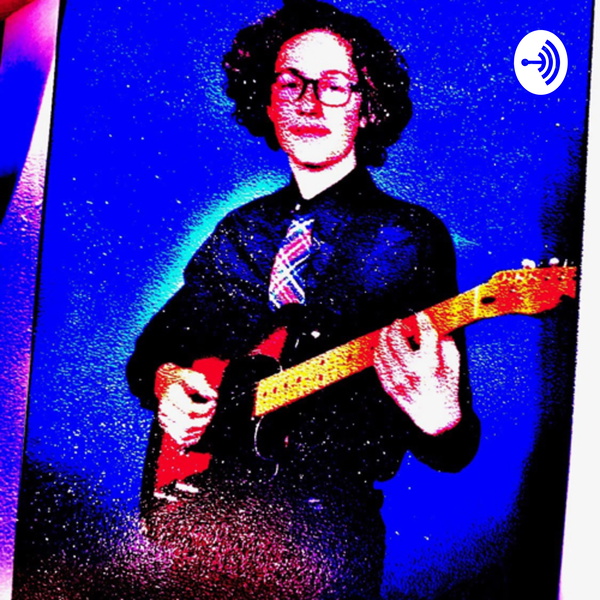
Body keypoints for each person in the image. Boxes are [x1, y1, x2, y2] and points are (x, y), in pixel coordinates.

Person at [127, 1, 480, 597]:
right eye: (291, 83)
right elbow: (152, 352)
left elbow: (455, 449)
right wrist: (167, 383)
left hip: (322, 544)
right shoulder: (240, 232)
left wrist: (438, 417)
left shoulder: (408, 239)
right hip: (199, 519)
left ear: (368, 107)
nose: (310, 103)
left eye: (335, 86)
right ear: (265, 101)